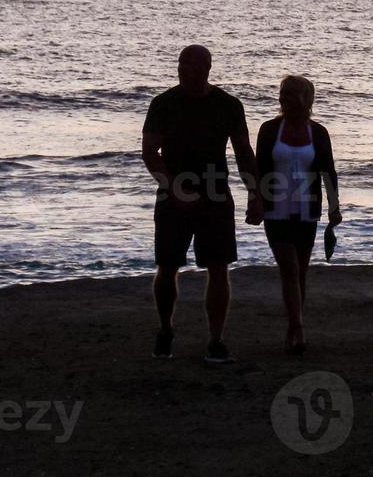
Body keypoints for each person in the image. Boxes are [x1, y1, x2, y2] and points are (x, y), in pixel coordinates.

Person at [141, 45, 260, 364]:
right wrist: (174, 188)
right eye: (181, 64)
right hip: (172, 192)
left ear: (207, 67)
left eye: (192, 65)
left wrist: (255, 192)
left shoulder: (227, 105)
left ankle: (216, 339)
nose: (184, 70)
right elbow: (150, 153)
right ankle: (165, 330)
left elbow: (243, 152)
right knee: (167, 267)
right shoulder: (163, 104)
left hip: (215, 193)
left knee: (219, 268)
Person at [256, 75, 342, 356]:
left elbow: (328, 172)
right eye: (282, 93)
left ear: (305, 98)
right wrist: (255, 201)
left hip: (307, 211)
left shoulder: (318, 133)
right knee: (289, 270)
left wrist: (334, 207)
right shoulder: (269, 130)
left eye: (289, 93)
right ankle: (298, 329)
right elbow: (258, 171)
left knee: (300, 273)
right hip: (276, 209)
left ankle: (293, 327)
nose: (283, 98)